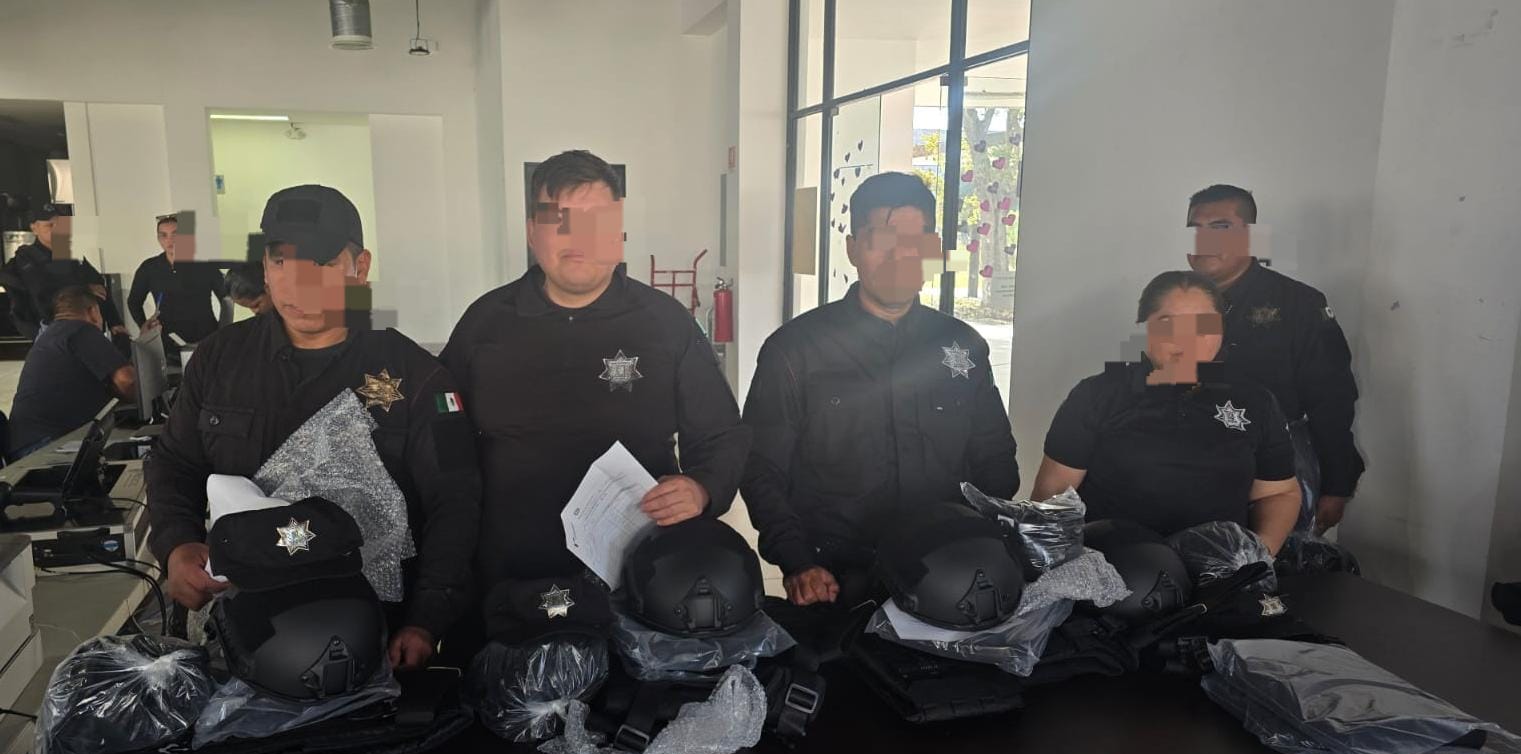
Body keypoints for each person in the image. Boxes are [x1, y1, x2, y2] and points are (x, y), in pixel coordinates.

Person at [1031, 270, 1300, 754]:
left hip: (1213, 594)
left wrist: (1255, 556)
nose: (1185, 340)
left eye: (1203, 324)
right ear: (1146, 328)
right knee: (1094, 727)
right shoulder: (1101, 394)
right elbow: (1051, 496)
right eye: (1168, 323)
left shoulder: (1252, 401)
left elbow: (1279, 493)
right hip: (1115, 590)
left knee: (1204, 726)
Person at [145, 185, 481, 670]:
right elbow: (175, 463)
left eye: (320, 263)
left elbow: (455, 502)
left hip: (373, 641)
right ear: (264, 267)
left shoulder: (418, 375)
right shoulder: (219, 359)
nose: (297, 283)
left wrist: (427, 618)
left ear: (359, 267)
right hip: (240, 635)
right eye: (281, 261)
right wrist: (175, 545)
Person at [440, 149, 750, 602]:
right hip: (508, 572)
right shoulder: (484, 324)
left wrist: (702, 488)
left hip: (639, 574)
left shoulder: (664, 323)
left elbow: (722, 433)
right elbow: (442, 435)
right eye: (559, 220)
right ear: (532, 232)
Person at [741, 171, 1020, 611]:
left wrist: (984, 537)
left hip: (949, 572)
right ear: (853, 248)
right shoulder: (795, 351)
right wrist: (797, 561)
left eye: (916, 241)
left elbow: (995, 455)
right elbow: (761, 469)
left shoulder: (962, 345)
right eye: (882, 240)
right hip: (836, 575)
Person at [1185, 184, 1361, 536]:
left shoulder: (1298, 303)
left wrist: (1337, 483)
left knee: (1272, 562)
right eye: (1195, 229)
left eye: (1220, 228)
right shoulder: (1178, 304)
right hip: (1193, 460)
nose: (1204, 241)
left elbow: (1332, 398)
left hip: (1274, 468)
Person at [6, 285, 135, 460]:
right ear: (93, 311)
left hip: (27, 446)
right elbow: (127, 381)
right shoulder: (81, 330)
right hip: (46, 447)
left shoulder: (52, 335)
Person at [10, 205, 127, 340]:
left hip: (84, 325)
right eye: (49, 225)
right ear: (34, 228)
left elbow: (99, 288)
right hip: (52, 330)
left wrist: (115, 322)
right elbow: (43, 292)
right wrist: (84, 289)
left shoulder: (68, 251)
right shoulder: (27, 257)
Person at [126, 214, 228, 345]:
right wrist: (144, 326)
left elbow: (226, 299)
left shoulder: (205, 265)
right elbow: (134, 301)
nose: (170, 240)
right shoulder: (150, 268)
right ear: (158, 238)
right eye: (163, 235)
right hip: (168, 341)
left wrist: (223, 331)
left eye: (175, 234)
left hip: (206, 339)